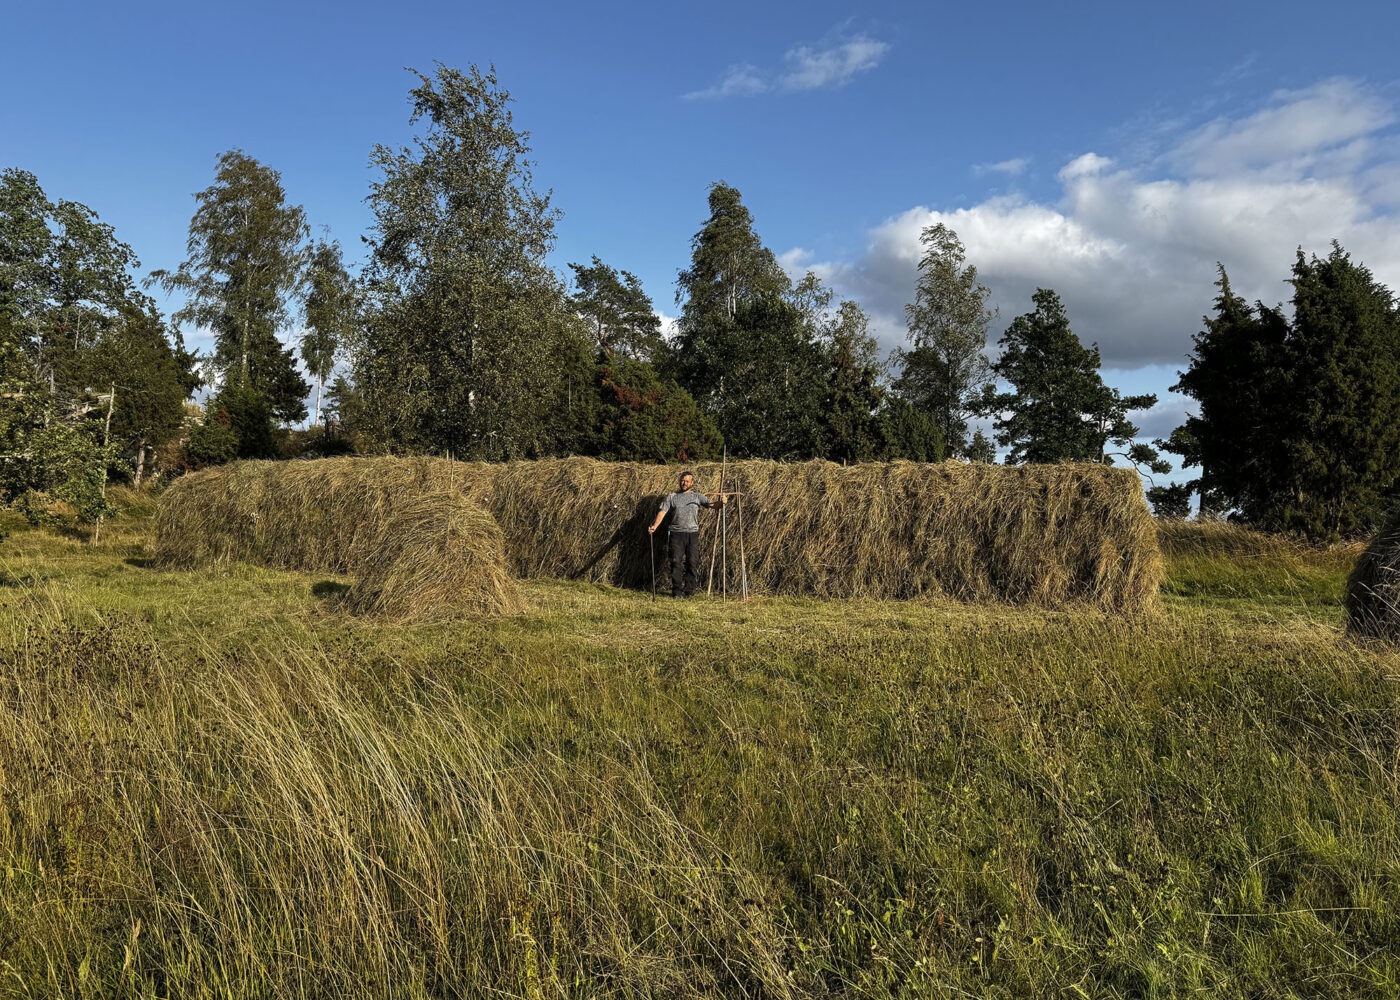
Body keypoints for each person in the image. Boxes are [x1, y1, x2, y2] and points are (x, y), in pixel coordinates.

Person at [648, 471, 726, 597]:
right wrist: (654, 526)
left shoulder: (697, 496)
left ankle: (689, 591)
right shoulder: (672, 496)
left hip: (692, 534)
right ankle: (677, 592)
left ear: (692, 483)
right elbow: (662, 512)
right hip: (676, 534)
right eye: (682, 480)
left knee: (692, 561)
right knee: (676, 562)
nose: (684, 483)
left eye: (687, 481)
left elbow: (713, 505)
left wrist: (722, 503)